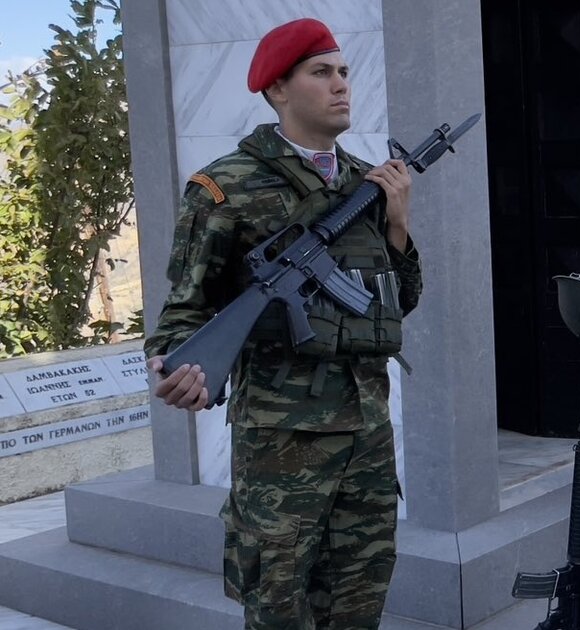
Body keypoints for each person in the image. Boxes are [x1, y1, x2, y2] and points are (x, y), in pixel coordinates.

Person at [143, 17, 421, 629]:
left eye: (344, 71)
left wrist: (398, 225)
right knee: (277, 607)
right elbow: (185, 306)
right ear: (277, 89)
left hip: (367, 436)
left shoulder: (367, 184)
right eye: (321, 72)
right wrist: (175, 366)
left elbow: (395, 304)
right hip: (281, 446)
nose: (341, 84)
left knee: (360, 603)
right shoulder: (225, 187)